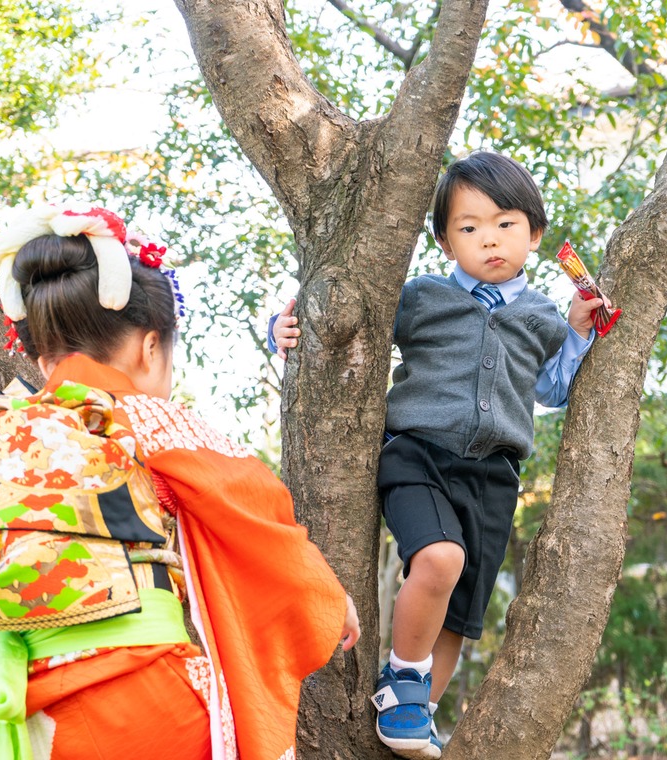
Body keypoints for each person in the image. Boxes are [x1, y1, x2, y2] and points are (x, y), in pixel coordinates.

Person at [0, 204, 360, 760]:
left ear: (38, 352)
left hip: (12, 714)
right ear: (150, 346)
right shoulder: (142, 420)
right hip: (145, 706)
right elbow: (250, 510)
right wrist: (326, 596)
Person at [269, 152, 611, 758]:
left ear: (534, 233)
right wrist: (286, 329)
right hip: (418, 455)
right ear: (445, 241)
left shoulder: (542, 316)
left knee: (460, 612)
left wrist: (580, 333)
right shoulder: (421, 297)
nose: (489, 239)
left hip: (495, 476)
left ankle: (416, 712)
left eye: (505, 224)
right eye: (468, 227)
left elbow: (553, 390)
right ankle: (400, 678)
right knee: (439, 559)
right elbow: (346, 324)